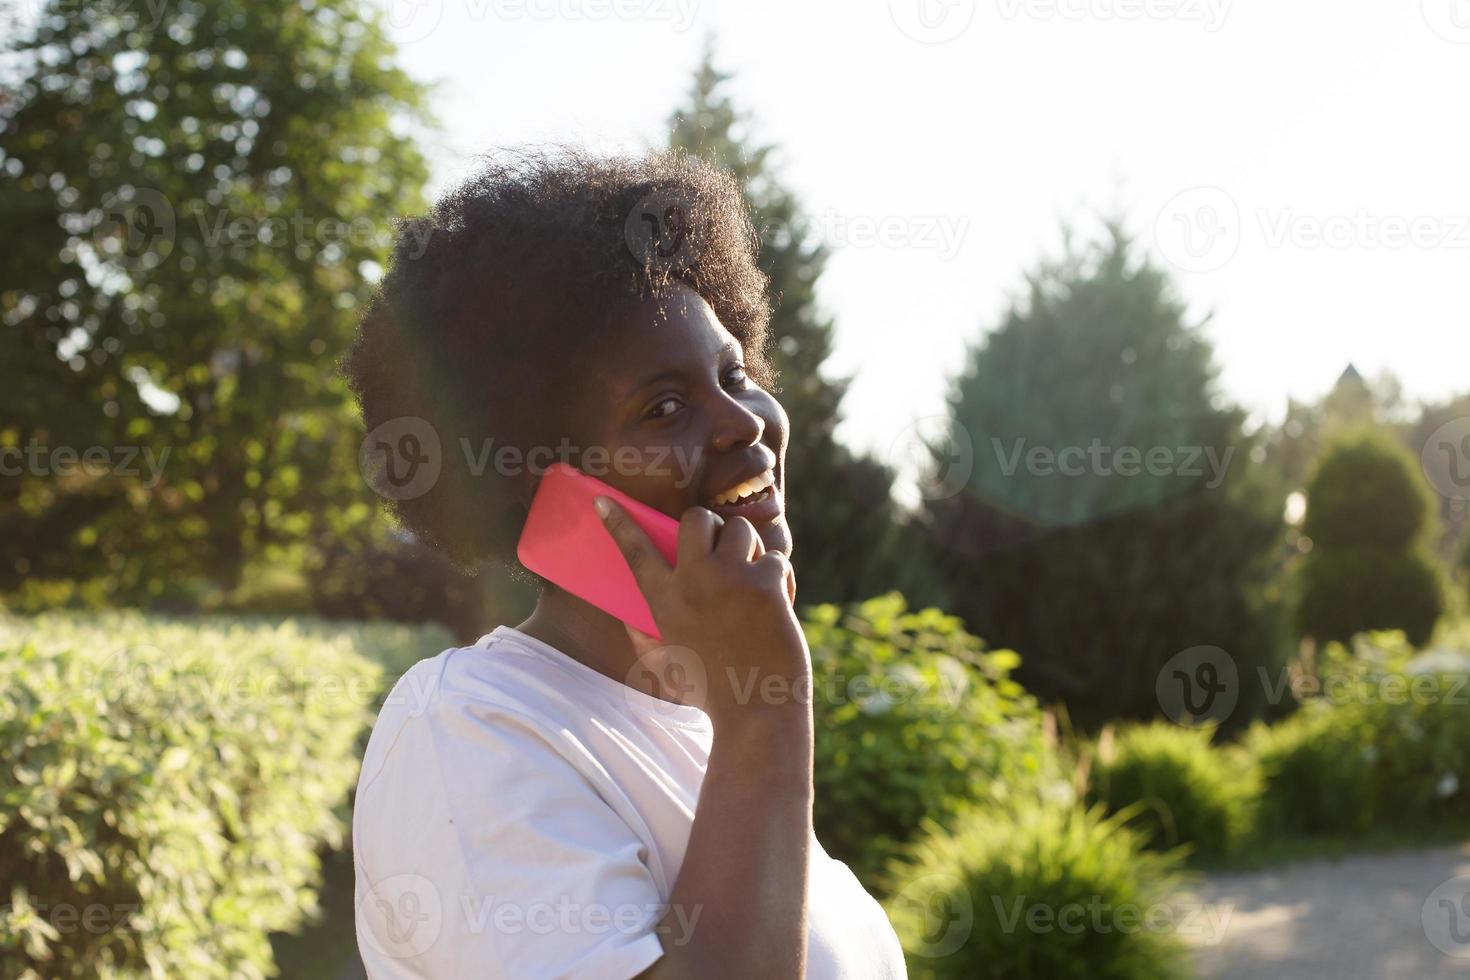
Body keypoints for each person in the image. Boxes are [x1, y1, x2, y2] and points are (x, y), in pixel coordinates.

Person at [345, 146, 908, 978]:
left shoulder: (699, 730)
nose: (744, 424)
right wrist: (768, 716)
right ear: (540, 483)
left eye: (736, 372)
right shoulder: (468, 729)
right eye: (666, 405)